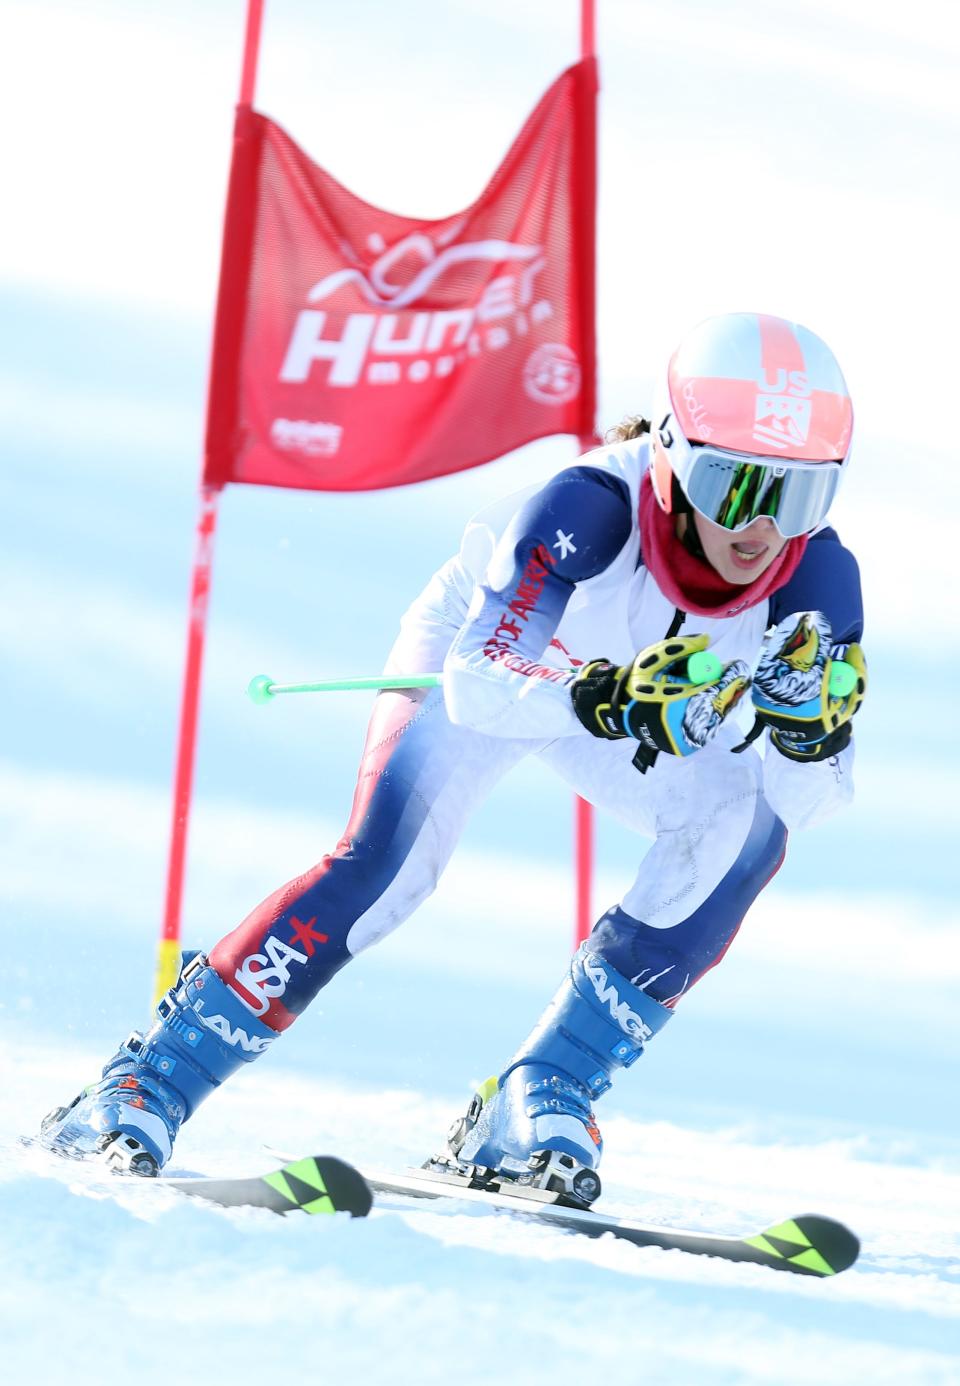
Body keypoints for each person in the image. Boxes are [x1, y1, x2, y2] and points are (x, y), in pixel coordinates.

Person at [41, 311, 866, 1200]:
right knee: (390, 869)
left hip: (624, 708)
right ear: (670, 458)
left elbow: (812, 798)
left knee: (746, 829)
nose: (762, 531)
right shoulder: (588, 508)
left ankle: (538, 1096)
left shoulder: (817, 582)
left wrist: (808, 733)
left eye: (800, 496)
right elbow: (480, 679)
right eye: (736, 487)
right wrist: (607, 694)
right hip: (484, 660)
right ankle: (142, 1084)